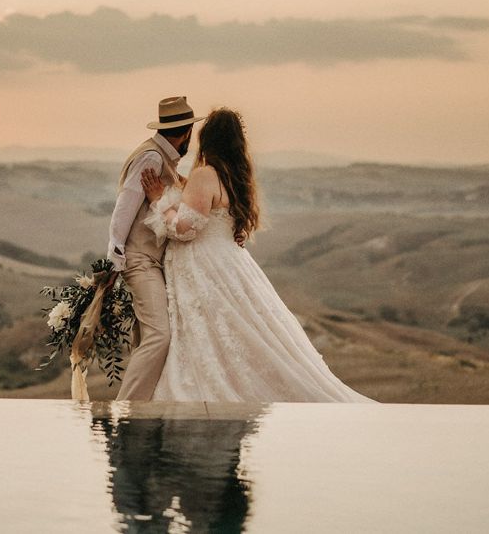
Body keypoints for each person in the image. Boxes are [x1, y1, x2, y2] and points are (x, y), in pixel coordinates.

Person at [140, 107, 378, 403]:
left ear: (207, 139)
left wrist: (158, 202)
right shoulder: (235, 177)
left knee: (211, 333)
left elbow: (184, 229)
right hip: (228, 262)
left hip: (205, 265)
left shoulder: (205, 174)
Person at [107, 96, 204, 401]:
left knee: (146, 336)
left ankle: (142, 407)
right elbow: (126, 205)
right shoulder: (151, 158)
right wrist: (115, 257)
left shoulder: (164, 160)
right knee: (159, 336)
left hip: (150, 260)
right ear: (187, 132)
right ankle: (127, 408)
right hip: (140, 260)